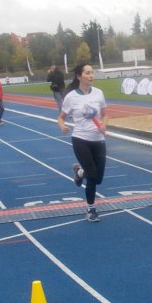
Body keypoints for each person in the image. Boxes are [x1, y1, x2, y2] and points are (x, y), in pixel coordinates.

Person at [58, 63, 108, 222]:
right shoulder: (71, 97)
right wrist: (62, 126)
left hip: (98, 139)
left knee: (98, 179)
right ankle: (91, 209)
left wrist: (104, 124)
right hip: (80, 139)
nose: (91, 75)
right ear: (79, 76)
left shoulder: (99, 93)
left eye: (92, 72)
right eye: (87, 73)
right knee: (92, 175)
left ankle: (79, 171)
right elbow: (61, 117)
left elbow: (105, 115)